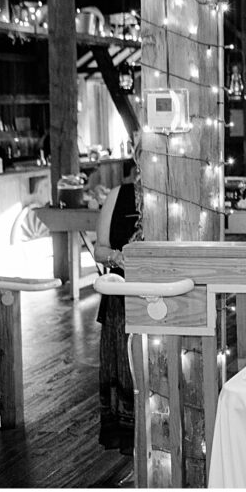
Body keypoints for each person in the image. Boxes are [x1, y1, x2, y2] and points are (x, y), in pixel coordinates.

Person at [92, 158, 139, 455]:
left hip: (160, 297)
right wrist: (117, 257)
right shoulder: (118, 195)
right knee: (124, 369)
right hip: (121, 298)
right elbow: (99, 248)